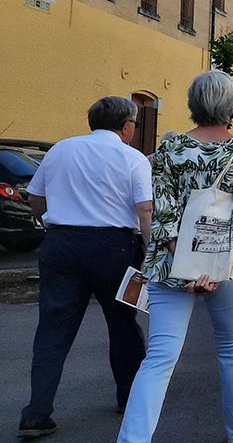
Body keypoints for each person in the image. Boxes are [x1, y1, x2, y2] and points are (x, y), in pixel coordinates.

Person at [118, 71, 233, 443]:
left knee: (160, 357)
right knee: (232, 348)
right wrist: (209, 268)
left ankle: (132, 439)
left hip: (170, 267)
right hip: (227, 267)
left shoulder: (169, 150)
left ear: (192, 104)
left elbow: (163, 217)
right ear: (232, 106)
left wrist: (187, 264)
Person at [19, 96, 150, 440]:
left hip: (61, 244)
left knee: (53, 329)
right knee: (122, 325)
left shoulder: (60, 149)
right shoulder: (133, 158)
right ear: (126, 126)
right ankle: (128, 398)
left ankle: (36, 413)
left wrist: (50, 222)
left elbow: (35, 198)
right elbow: (144, 209)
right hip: (114, 248)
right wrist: (151, 251)